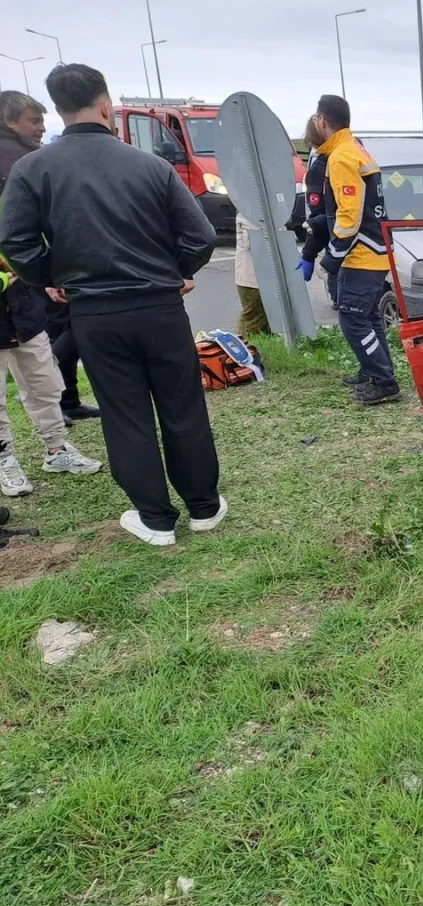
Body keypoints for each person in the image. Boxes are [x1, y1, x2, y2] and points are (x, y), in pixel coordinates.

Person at [0, 64, 225, 547]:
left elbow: (15, 242)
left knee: (125, 413)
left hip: (95, 313)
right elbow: (201, 234)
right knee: (182, 406)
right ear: (106, 106)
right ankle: (204, 507)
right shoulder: (151, 166)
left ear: (58, 110)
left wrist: (51, 278)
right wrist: (178, 272)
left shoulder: (32, 169)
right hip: (159, 306)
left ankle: (156, 519)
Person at [0, 90, 99, 424]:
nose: (42, 127)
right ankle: (57, 397)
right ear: (8, 121)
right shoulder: (17, 160)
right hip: (37, 266)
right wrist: (42, 272)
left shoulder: (23, 155)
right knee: (73, 326)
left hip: (33, 267)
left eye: (43, 119)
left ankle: (67, 399)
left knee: (60, 328)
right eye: (34, 120)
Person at [310, 94, 401, 405]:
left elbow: (349, 214)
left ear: (322, 120)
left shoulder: (341, 157)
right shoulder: (355, 150)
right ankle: (374, 371)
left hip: (360, 252)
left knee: (352, 318)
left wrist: (331, 257)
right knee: (371, 316)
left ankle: (385, 381)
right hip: (374, 249)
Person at [1, 262, 103, 496]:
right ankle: (4, 459)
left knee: (44, 385)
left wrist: (44, 281)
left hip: (25, 314)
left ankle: (57, 449)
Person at [297, 117, 338, 310]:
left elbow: (323, 219)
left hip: (341, 253)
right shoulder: (359, 154)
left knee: (351, 319)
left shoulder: (320, 168)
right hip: (371, 250)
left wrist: (308, 254)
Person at [233, 212, 269, 338]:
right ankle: (241, 351)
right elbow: (254, 241)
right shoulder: (248, 213)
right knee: (253, 320)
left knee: (266, 321)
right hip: (251, 279)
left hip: (263, 277)